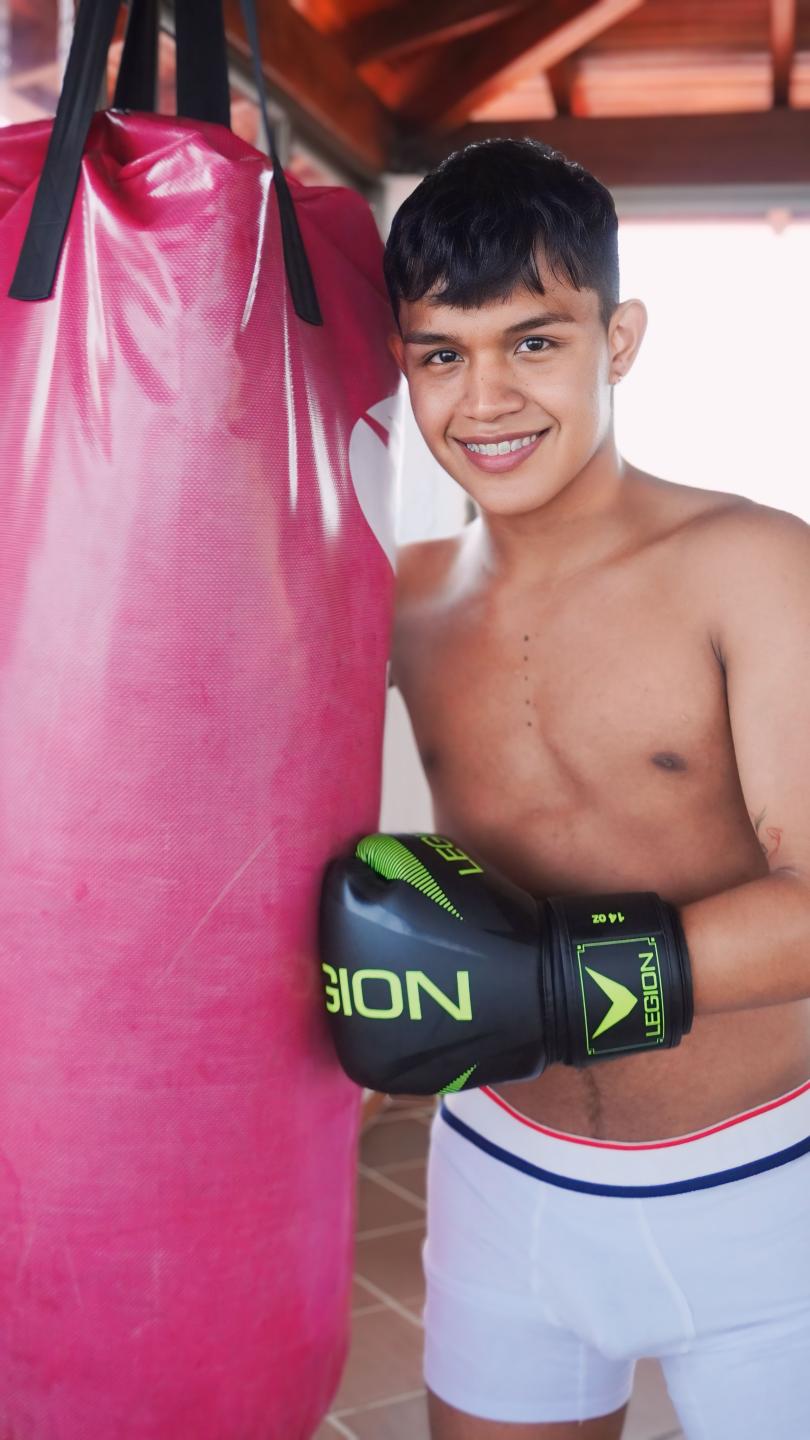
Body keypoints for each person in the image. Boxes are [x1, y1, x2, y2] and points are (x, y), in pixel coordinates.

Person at [378, 138, 810, 1439]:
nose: (485, 400)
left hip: (761, 1184)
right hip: (500, 1174)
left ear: (617, 340)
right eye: (441, 354)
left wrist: (544, 984)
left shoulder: (753, 563)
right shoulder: (396, 602)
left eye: (533, 341)